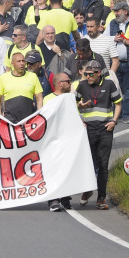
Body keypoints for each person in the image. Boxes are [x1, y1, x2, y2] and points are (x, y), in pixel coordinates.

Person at [75, 60, 121, 210]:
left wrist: (114, 121)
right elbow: (71, 103)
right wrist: (79, 106)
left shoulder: (109, 85)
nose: (88, 77)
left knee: (103, 165)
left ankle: (101, 198)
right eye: (85, 74)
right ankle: (87, 190)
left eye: (90, 74)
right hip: (88, 129)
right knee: (88, 163)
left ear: (98, 73)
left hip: (105, 129)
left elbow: (118, 103)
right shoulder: (82, 86)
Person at [45, 72, 74, 212]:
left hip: (68, 138)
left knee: (67, 167)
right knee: (54, 169)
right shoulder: (48, 99)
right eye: (68, 81)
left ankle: (65, 196)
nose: (70, 83)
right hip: (54, 140)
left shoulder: (71, 98)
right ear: (60, 84)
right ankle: (53, 199)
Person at [0, 51, 43, 122]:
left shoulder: (33, 76)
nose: (22, 63)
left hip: (28, 118)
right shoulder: (3, 77)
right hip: (9, 119)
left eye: (23, 61)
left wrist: (39, 115)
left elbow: (39, 98)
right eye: (19, 61)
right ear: (12, 63)